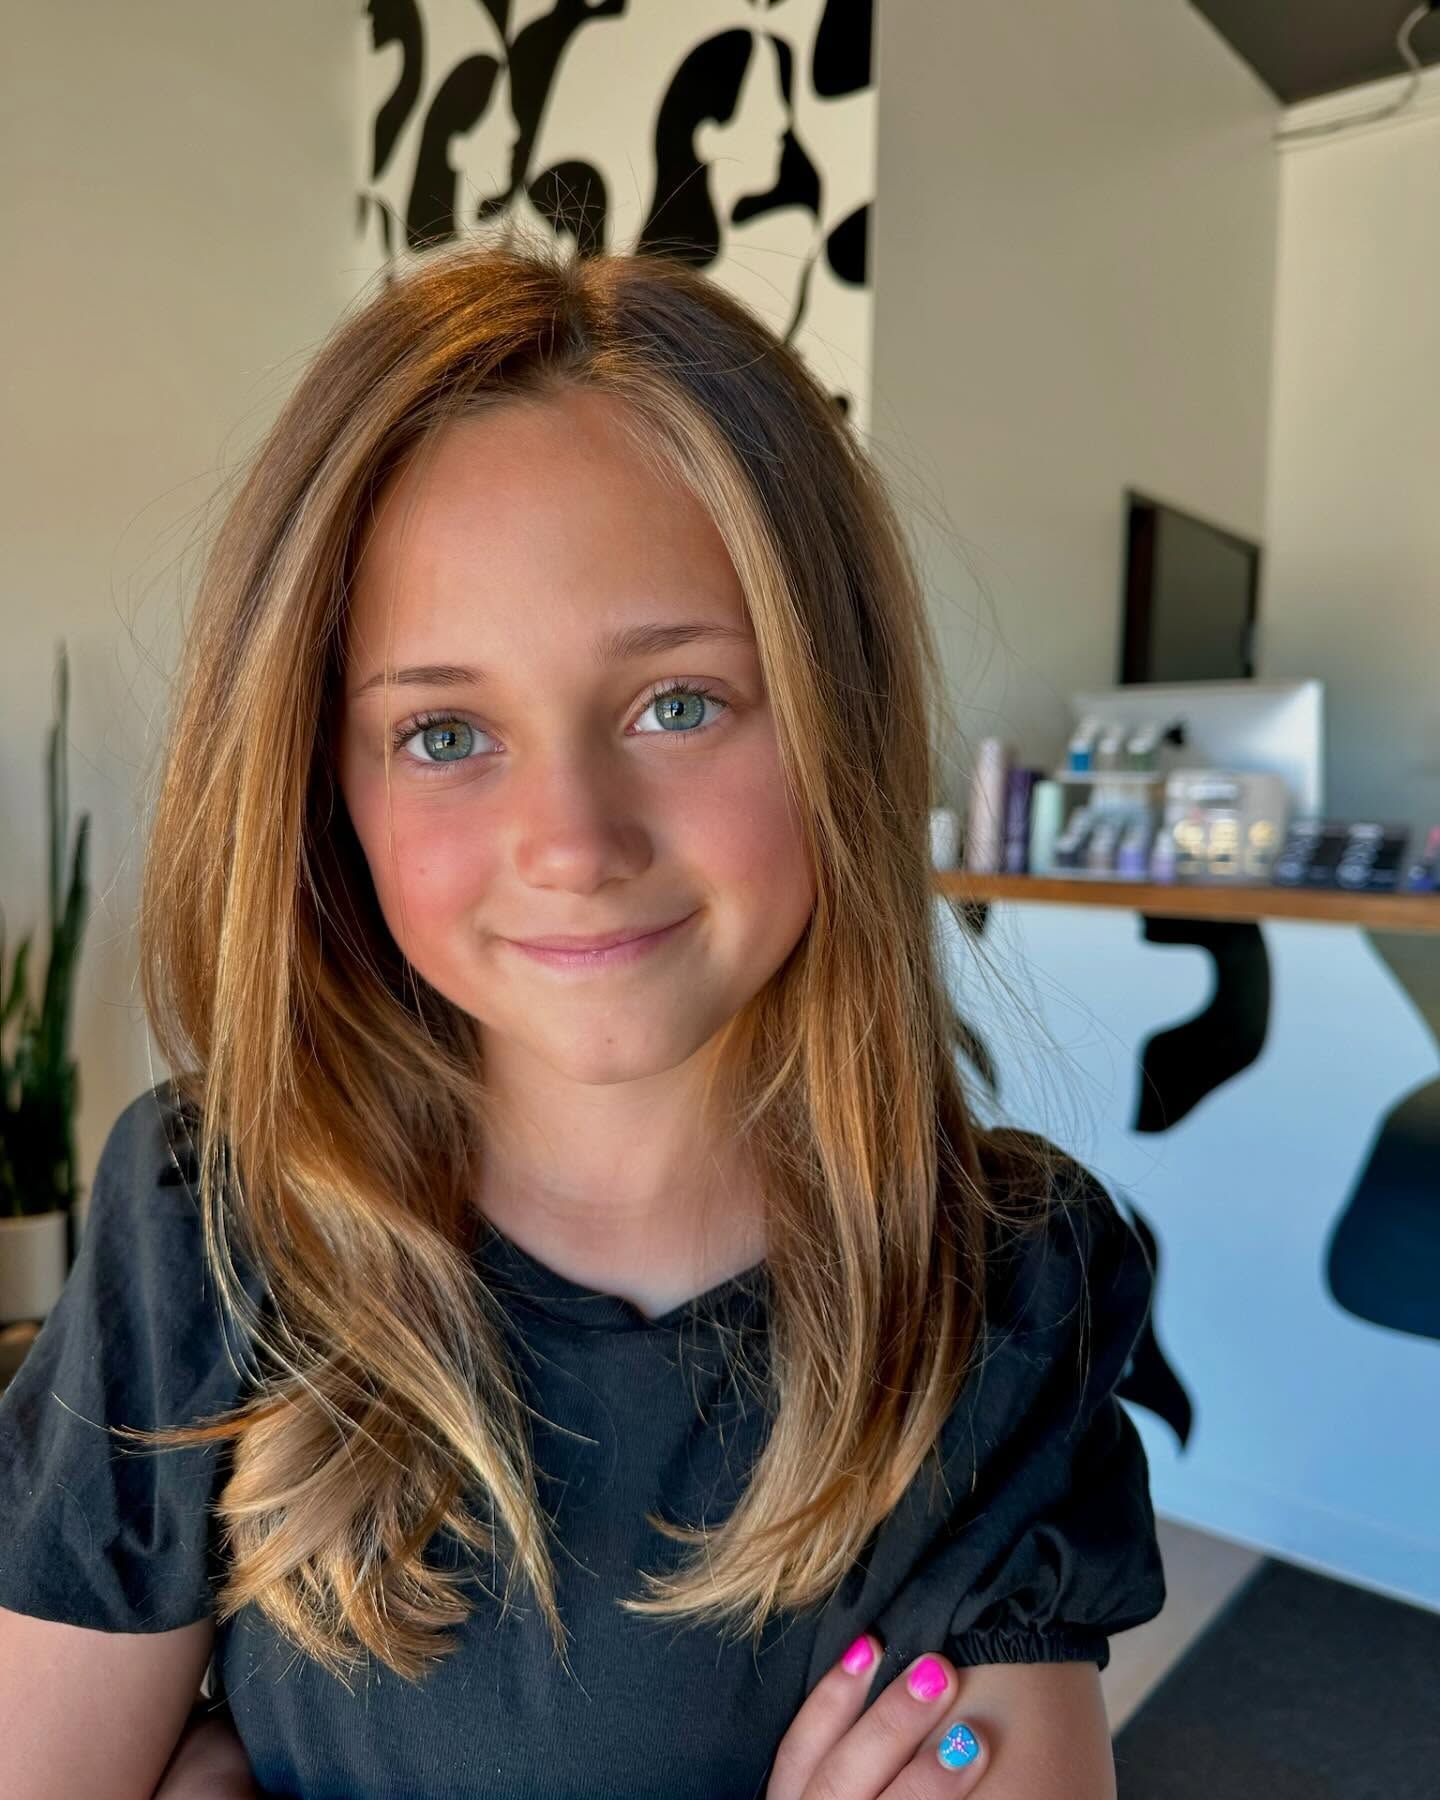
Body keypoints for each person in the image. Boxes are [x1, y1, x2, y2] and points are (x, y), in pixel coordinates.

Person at [0, 228, 1165, 1799]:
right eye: (443, 732)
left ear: (841, 714)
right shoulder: (209, 1222)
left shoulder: (1004, 1292)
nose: (570, 841)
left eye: (677, 703)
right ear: (324, 788)